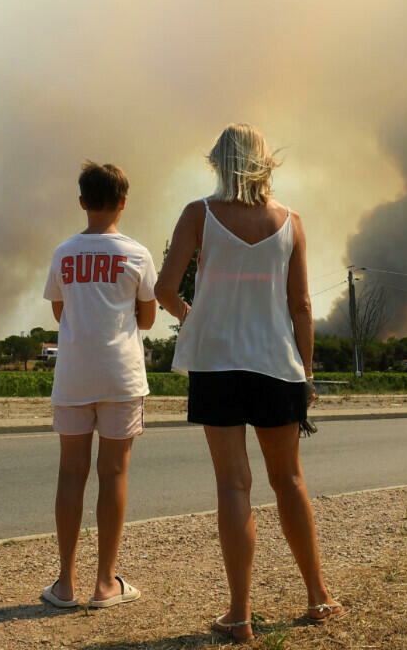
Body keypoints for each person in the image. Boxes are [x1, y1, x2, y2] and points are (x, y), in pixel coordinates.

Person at [155, 124, 342, 641]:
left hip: (216, 363)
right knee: (290, 481)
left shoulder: (200, 214)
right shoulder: (292, 222)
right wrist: (307, 372)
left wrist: (193, 314)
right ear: (266, 163)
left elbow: (164, 288)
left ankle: (239, 615)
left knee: (233, 484)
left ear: (219, 161)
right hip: (277, 364)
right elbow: (301, 305)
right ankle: (318, 597)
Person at [40, 161, 157, 610]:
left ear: (82, 202)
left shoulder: (63, 253)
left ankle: (65, 584)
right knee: (114, 474)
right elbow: (146, 318)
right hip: (121, 376)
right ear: (123, 203)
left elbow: (58, 311)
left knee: (71, 473)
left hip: (72, 375)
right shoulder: (138, 254)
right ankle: (106, 582)